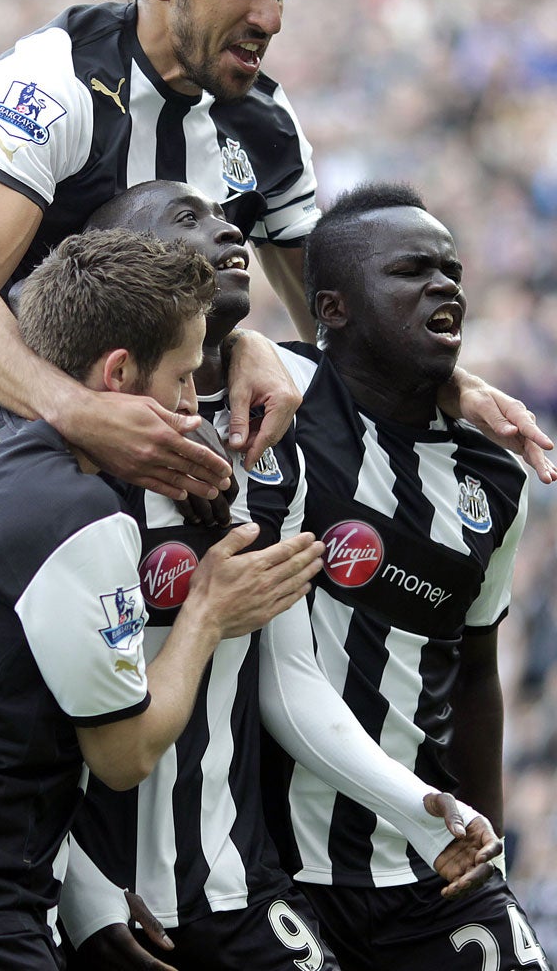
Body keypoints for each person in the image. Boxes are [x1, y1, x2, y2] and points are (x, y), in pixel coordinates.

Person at [0, 0, 553, 881]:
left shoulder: (264, 131)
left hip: (74, 480)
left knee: (79, 763)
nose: (271, 13)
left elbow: (322, 311)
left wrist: (449, 385)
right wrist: (81, 408)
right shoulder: (56, 83)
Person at [0, 227, 325, 971]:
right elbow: (124, 752)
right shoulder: (76, 519)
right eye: (185, 377)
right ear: (119, 370)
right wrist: (207, 614)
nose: (194, 406)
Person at [53, 181, 505, 971]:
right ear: (119, 268)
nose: (230, 226)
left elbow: (288, 685)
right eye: (187, 219)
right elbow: (21, 715)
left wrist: (430, 814)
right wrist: (82, 888)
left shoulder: (263, 449)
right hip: (102, 897)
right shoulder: (52, 472)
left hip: (243, 890)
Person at [257, 183, 553, 970]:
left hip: (422, 862)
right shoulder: (276, 399)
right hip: (271, 862)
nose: (445, 284)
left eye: (451, 269)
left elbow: (476, 669)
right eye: (412, 270)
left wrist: (484, 839)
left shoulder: (496, 475)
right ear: (334, 307)